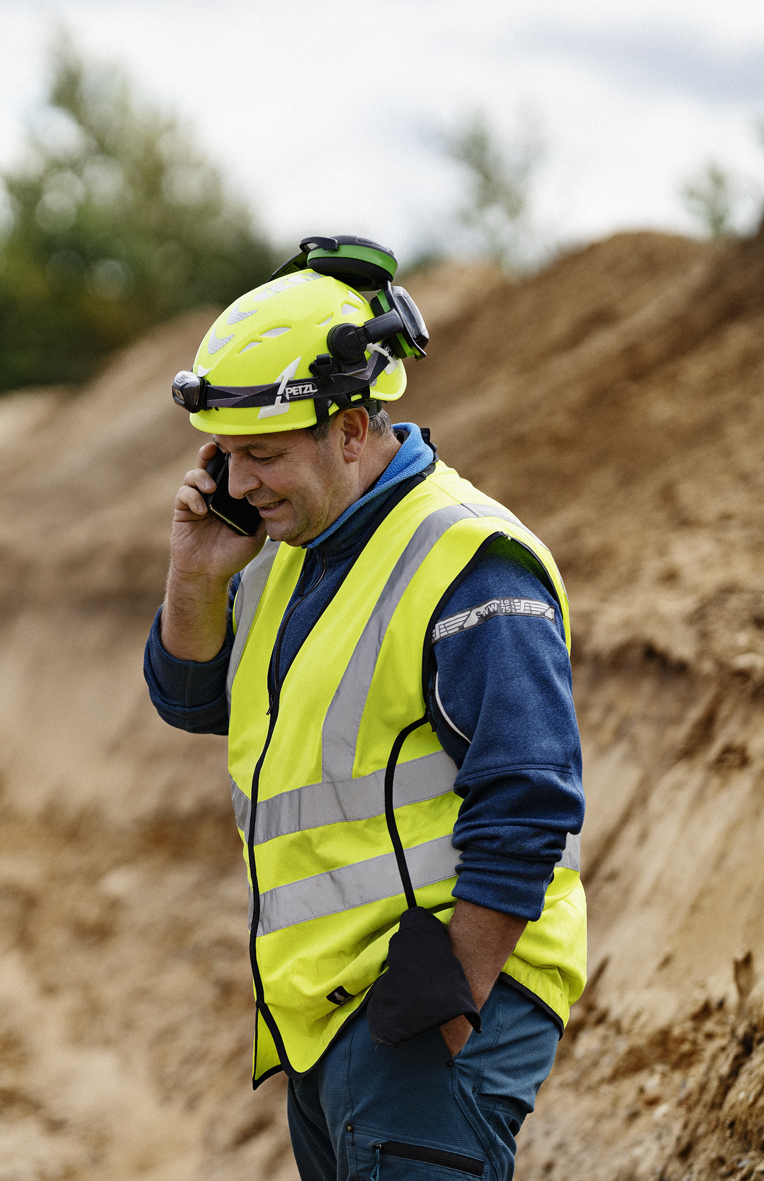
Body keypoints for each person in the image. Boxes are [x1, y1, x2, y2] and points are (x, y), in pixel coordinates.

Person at [144, 236, 585, 1180]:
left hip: (426, 1005)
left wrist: (447, 1000)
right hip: (327, 1012)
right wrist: (196, 570)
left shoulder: (468, 559)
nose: (241, 481)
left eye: (263, 454)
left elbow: (532, 798)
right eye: (224, 455)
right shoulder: (290, 547)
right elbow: (187, 699)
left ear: (352, 428)